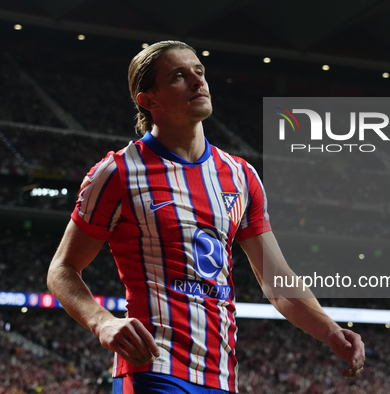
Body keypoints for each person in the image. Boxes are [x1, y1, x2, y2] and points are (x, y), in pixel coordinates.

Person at [47, 40, 365, 394]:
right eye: (179, 76)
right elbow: (62, 269)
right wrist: (101, 322)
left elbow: (277, 281)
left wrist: (330, 330)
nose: (198, 81)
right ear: (148, 100)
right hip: (153, 367)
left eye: (199, 71)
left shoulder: (241, 176)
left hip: (222, 377)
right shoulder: (118, 172)